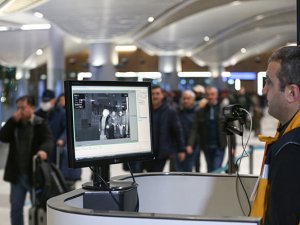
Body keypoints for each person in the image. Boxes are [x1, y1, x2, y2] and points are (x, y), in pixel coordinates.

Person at [250, 46, 300, 225]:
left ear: (291, 93)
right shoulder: (287, 135)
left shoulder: (292, 149)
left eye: (269, 82)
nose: (264, 90)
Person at [0, 95, 53, 225]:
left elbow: (48, 140)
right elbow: (3, 137)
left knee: (38, 207)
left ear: (32, 108)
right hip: (17, 175)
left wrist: (43, 150)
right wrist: (12, 120)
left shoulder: (39, 123)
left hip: (33, 175)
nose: (19, 111)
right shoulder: (14, 123)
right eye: (18, 108)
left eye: (23, 107)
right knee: (16, 209)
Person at [188, 86, 232, 172]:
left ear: (216, 95)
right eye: (208, 94)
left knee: (216, 168)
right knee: (210, 168)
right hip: (206, 146)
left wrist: (232, 146)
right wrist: (190, 144)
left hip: (220, 145)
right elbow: (195, 128)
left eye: (212, 94)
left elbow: (231, 128)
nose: (210, 96)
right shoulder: (201, 110)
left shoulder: (224, 109)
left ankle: (215, 184)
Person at [143, 85, 186, 172]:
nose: (155, 96)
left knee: (155, 175)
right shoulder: (144, 110)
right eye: (152, 94)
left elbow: (178, 130)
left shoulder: (170, 111)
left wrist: (182, 149)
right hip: (146, 152)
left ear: (162, 95)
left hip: (161, 152)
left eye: (157, 94)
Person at [177, 90, 200, 172]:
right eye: (184, 98)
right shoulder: (178, 111)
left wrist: (190, 144)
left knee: (188, 169)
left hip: (192, 146)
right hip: (179, 146)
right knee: (178, 170)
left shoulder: (197, 112)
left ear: (193, 100)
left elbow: (195, 130)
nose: (186, 101)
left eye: (188, 99)